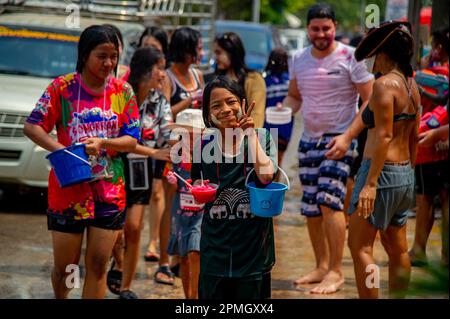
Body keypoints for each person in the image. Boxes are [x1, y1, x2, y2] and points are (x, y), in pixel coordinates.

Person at [23, 25, 140, 299]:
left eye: (114, 56)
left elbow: (132, 140)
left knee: (98, 264)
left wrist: (104, 144)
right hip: (68, 191)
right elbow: (33, 126)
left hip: (109, 191)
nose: (109, 63)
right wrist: (62, 149)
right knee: (67, 268)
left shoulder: (124, 92)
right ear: (85, 54)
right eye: (102, 55)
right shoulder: (62, 88)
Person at [284, 3, 374, 294]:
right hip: (308, 140)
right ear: (308, 29)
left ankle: (336, 271)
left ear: (335, 27)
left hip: (339, 139)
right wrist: (280, 110)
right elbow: (295, 97)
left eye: (326, 28)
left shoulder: (351, 56)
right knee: (311, 208)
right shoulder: (297, 58)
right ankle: (322, 265)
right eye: (315, 28)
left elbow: (370, 101)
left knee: (329, 201)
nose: (321, 33)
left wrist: (348, 137)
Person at [327, 21, 420, 298]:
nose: (371, 62)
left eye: (374, 55)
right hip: (404, 173)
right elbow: (414, 136)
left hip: (380, 174)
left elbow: (384, 136)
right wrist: (409, 174)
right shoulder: (411, 84)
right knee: (398, 249)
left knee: (360, 248)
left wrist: (370, 183)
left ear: (383, 53)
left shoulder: (383, 85)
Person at [192, 75, 277, 299]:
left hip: (254, 251)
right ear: (208, 115)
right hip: (214, 251)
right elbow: (196, 187)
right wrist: (198, 190)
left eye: (231, 102)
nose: (226, 109)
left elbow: (267, 176)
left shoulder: (262, 137)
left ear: (243, 104)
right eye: (216, 105)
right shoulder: (203, 146)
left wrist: (250, 134)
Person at [106, 46, 173, 299]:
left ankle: (126, 286)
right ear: (147, 69)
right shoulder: (121, 95)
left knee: (134, 227)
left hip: (141, 167)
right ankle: (118, 261)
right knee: (114, 228)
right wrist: (154, 152)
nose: (163, 74)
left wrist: (180, 140)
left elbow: (167, 132)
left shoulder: (160, 101)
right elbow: (115, 135)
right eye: (160, 68)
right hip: (114, 162)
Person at [153, 26, 204, 286]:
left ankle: (182, 256)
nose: (201, 52)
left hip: (197, 150)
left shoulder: (198, 74)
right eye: (198, 47)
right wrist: (190, 99)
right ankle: (164, 260)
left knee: (191, 205)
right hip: (174, 147)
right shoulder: (168, 78)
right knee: (172, 204)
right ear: (187, 49)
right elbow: (165, 112)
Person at [409, 29, 449, 267]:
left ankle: (419, 250)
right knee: (446, 201)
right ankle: (446, 257)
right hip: (443, 143)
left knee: (425, 200)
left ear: (439, 48)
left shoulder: (425, 74)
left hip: (428, 146)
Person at [135, 26, 171, 264]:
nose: (162, 73)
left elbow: (167, 124)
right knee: (129, 222)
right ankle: (121, 257)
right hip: (125, 160)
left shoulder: (160, 95)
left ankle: (154, 244)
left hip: (154, 153)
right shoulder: (124, 91)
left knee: (156, 194)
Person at [213, 32, 266, 128]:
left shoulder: (254, 79)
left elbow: (257, 114)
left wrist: (249, 137)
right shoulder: (216, 80)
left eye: (218, 52)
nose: (215, 58)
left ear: (232, 53)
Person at [263, 48, 292, 174]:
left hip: (269, 126)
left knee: (269, 159)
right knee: (279, 159)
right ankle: (276, 182)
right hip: (286, 127)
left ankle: (271, 183)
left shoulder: (266, 81)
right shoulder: (290, 81)